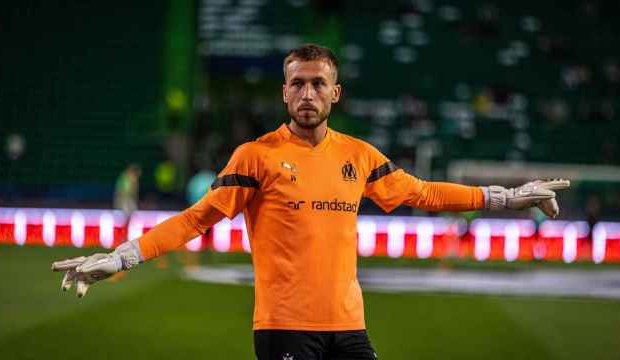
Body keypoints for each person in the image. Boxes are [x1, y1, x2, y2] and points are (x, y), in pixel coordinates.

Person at [52, 44, 569, 360]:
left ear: (335, 93)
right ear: (284, 93)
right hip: (283, 331)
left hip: (349, 327)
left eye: (317, 83)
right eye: (297, 83)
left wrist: (507, 198)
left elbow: (424, 192)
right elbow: (197, 219)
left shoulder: (361, 156)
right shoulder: (256, 157)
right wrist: (123, 256)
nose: (307, 93)